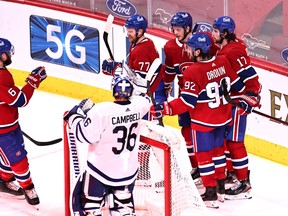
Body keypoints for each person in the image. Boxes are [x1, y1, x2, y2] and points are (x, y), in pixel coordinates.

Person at [151, 33, 248, 208]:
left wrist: (166, 108)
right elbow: (237, 86)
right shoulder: (223, 61)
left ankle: (210, 192)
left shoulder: (193, 71)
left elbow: (187, 102)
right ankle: (220, 190)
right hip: (223, 118)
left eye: (189, 48)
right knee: (219, 153)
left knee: (204, 157)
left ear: (197, 52)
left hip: (203, 122)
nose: (186, 50)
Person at [64, 64, 152, 216]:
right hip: (127, 172)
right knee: (124, 209)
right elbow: (146, 96)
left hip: (99, 171)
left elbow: (82, 135)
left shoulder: (101, 111)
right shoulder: (141, 106)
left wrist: (75, 115)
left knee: (90, 207)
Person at [102, 14, 165, 182]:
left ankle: (151, 174)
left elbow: (141, 83)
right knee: (145, 137)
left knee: (148, 137)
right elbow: (133, 74)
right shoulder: (138, 44)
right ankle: (147, 173)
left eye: (130, 31)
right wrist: (116, 67)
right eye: (127, 30)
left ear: (139, 31)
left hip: (148, 100)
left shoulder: (143, 49)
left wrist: (116, 68)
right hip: (145, 99)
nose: (127, 34)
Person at [212, 16, 262, 200]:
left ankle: (244, 182)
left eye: (216, 31)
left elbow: (241, 83)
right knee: (227, 139)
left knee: (234, 142)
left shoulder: (228, 53)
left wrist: (249, 96)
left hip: (240, 100)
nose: (213, 34)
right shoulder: (234, 45)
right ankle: (233, 173)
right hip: (236, 99)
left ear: (225, 33)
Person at [0, 38, 47, 206]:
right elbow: (20, 100)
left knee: (9, 158)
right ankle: (28, 187)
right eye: (9, 52)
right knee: (19, 161)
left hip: (10, 125)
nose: (11, 55)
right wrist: (34, 81)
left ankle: (3, 181)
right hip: (2, 131)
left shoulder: (3, 72)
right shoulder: (0, 76)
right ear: (3, 55)